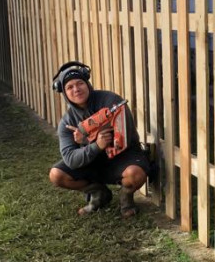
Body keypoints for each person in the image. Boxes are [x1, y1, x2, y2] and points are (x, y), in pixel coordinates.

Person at [49, 61, 150, 216]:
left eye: (80, 83)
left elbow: (122, 131)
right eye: (70, 87)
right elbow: (70, 159)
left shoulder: (110, 100)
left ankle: (126, 198)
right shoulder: (67, 122)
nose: (76, 89)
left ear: (87, 84)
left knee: (135, 174)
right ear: (64, 93)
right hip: (92, 161)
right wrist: (95, 145)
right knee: (56, 175)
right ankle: (99, 194)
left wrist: (86, 138)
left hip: (122, 157)